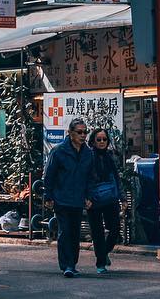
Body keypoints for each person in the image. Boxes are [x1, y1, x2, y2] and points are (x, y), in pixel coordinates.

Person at [43, 117, 93, 277]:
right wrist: (48, 196)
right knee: (65, 231)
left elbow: (90, 177)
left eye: (85, 132)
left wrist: (88, 196)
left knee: (75, 232)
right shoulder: (58, 152)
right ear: (70, 133)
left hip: (78, 199)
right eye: (79, 132)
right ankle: (67, 265)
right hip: (61, 198)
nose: (83, 135)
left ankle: (72, 263)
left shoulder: (88, 153)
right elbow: (48, 175)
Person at [86, 128, 122, 274]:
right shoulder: (88, 157)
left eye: (104, 139)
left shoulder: (111, 157)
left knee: (114, 229)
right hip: (93, 198)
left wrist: (122, 197)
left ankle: (104, 252)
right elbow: (84, 178)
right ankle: (100, 262)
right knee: (97, 232)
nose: (102, 142)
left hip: (110, 198)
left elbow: (117, 178)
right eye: (99, 139)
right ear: (93, 141)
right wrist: (86, 197)